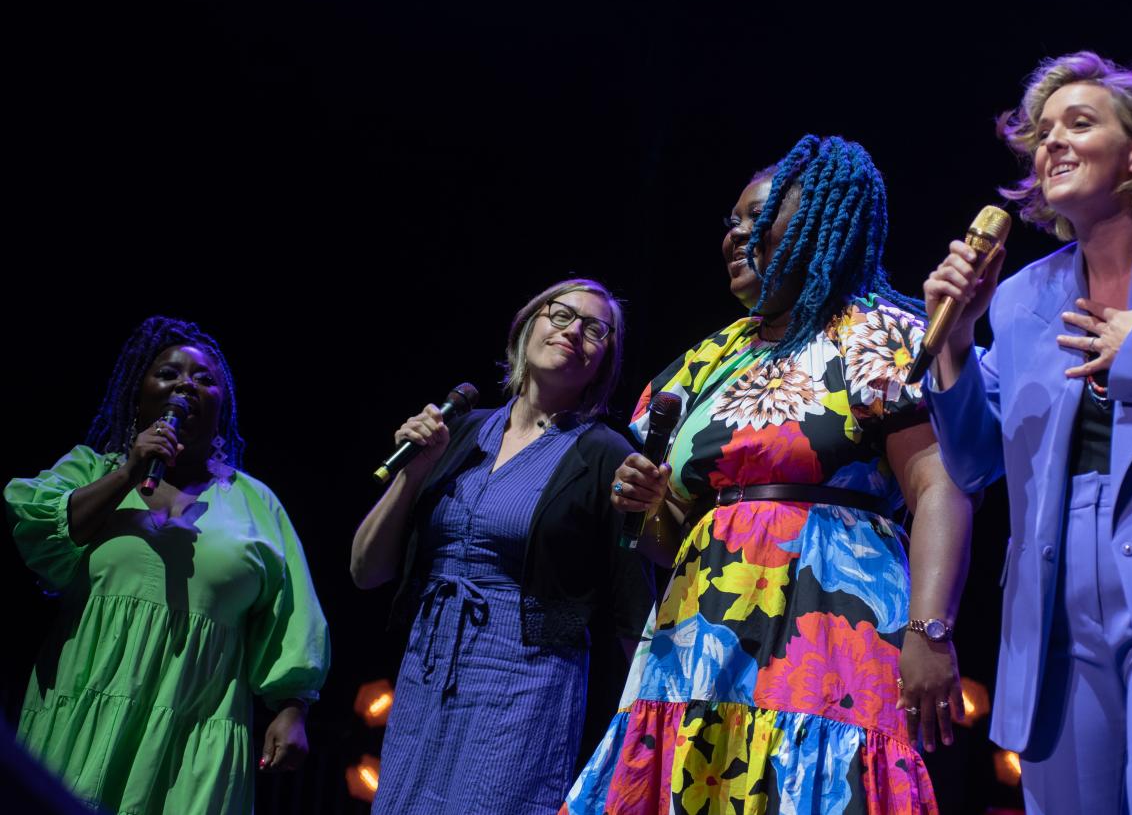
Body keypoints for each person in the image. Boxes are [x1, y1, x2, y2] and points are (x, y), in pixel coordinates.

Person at [565, 135, 974, 814]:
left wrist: (930, 629)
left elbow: (938, 484)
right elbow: (672, 535)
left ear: (820, 221)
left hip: (834, 628)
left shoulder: (882, 334)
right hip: (699, 636)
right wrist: (646, 506)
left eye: (756, 215)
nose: (736, 234)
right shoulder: (703, 362)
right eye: (730, 221)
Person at [922, 51, 1132, 813]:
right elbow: (972, 463)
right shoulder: (1022, 296)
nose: (1051, 144)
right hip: (1054, 600)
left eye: (1079, 123)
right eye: (1042, 133)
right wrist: (956, 344)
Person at [350, 278, 656, 814]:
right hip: (429, 667)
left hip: (525, 681)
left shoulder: (605, 454)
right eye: (559, 315)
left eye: (595, 329)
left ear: (604, 360)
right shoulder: (459, 432)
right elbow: (366, 570)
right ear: (526, 328)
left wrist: (646, 730)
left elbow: (632, 605)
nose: (573, 331)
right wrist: (414, 471)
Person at [4, 316, 330, 815]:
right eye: (169, 374)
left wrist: (293, 707)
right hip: (85, 703)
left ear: (223, 405)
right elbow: (44, 532)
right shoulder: (92, 471)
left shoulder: (256, 504)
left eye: (204, 379)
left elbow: (292, 615)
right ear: (139, 397)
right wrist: (130, 471)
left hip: (197, 727)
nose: (186, 385)